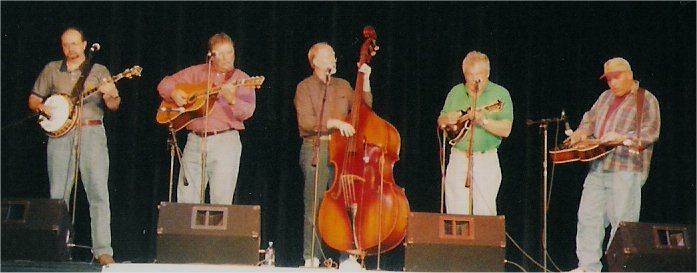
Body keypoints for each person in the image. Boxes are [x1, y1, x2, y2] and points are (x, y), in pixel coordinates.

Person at [27, 27, 119, 265]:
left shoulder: (99, 71)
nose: (71, 49)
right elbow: (34, 98)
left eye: (75, 44)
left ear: (84, 44)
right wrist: (42, 108)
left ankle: (103, 251)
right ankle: (55, 248)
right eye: (66, 44)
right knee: (58, 195)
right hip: (60, 136)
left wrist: (111, 94)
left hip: (92, 131)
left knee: (98, 193)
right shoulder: (51, 69)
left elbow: (114, 104)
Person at [566, 57, 660, 272]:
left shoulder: (645, 99)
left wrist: (622, 138)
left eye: (616, 78)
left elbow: (650, 131)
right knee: (588, 217)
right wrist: (582, 131)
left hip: (626, 169)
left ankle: (619, 269)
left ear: (629, 74)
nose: (612, 83)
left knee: (622, 224)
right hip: (598, 166)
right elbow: (590, 118)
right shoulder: (605, 97)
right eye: (608, 79)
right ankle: (587, 267)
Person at [293, 42, 373, 268]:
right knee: (316, 204)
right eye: (328, 57)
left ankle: (347, 257)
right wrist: (335, 123)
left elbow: (365, 107)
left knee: (345, 204)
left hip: (342, 151)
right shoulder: (304, 87)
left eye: (334, 56)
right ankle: (312, 257)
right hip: (316, 148)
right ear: (315, 61)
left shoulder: (343, 85)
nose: (334, 60)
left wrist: (365, 80)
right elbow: (305, 122)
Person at [157, 33, 256, 205]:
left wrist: (232, 99)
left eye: (230, 52)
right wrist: (174, 92)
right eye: (221, 54)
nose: (227, 58)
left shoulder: (242, 79)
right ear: (210, 55)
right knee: (187, 200)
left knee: (221, 201)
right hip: (194, 141)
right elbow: (164, 83)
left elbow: (247, 112)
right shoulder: (197, 72)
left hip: (225, 141)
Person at [437, 51, 513, 216]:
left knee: (484, 215)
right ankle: (458, 243)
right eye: (469, 75)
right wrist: (447, 118)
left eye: (479, 75)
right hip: (458, 157)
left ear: (487, 73)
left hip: (485, 159)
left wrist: (483, 121)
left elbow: (506, 129)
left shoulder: (500, 94)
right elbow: (441, 121)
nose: (474, 80)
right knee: (456, 213)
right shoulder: (456, 92)